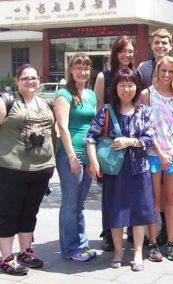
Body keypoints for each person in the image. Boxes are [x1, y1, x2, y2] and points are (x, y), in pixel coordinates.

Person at [86, 68, 156, 271]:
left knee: (139, 212)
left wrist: (130, 141)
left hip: (138, 169)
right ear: (115, 87)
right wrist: (94, 162)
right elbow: (91, 137)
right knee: (115, 211)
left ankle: (137, 254)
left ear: (137, 87)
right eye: (122, 84)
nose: (126, 89)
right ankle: (118, 253)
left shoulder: (145, 111)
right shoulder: (107, 110)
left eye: (131, 84)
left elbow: (150, 137)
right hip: (114, 170)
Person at [138, 28, 173, 247]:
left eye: (171, 71)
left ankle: (169, 241)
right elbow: (145, 127)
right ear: (157, 71)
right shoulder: (147, 94)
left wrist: (171, 151)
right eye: (163, 71)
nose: (167, 74)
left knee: (170, 199)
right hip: (153, 153)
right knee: (154, 199)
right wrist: (160, 152)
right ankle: (152, 242)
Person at [0, 64, 55, 276]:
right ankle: (6, 257)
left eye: (34, 78)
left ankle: (25, 252)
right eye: (25, 78)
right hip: (11, 168)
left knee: (29, 212)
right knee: (8, 213)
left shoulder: (45, 103)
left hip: (41, 169)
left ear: (39, 80)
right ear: (17, 81)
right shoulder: (7, 101)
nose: (30, 81)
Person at [94, 35, 135, 251]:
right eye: (123, 51)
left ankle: (130, 231)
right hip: (110, 139)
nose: (127, 54)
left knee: (130, 188)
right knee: (111, 189)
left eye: (130, 50)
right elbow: (99, 109)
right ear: (115, 52)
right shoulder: (104, 76)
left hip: (131, 138)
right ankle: (109, 232)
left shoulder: (134, 74)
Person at [55, 53, 97, 261]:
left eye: (86, 68)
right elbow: (62, 126)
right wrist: (72, 156)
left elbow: (95, 125)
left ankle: (81, 243)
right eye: (78, 67)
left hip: (88, 155)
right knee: (70, 202)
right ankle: (70, 249)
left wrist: (94, 157)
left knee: (80, 203)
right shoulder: (64, 94)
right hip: (70, 155)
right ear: (71, 70)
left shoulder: (91, 94)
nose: (83, 72)